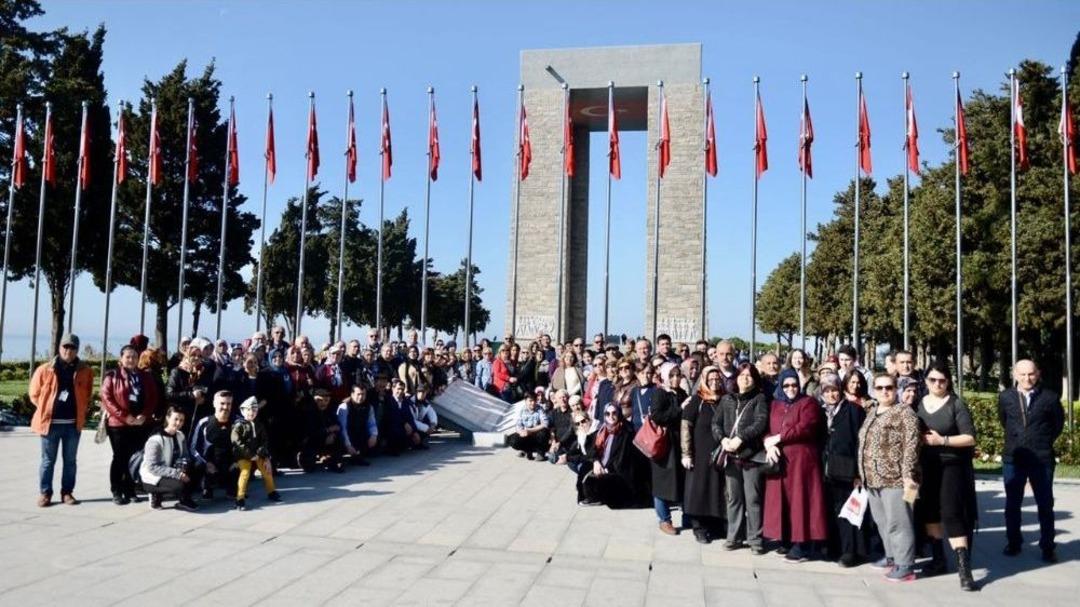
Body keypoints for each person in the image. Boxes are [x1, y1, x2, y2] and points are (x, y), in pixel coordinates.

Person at [915, 361, 978, 590]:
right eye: (933, 380)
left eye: (942, 380)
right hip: (926, 466)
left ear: (948, 381)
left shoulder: (956, 404)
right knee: (929, 512)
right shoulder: (919, 403)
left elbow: (970, 437)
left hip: (951, 465)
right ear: (926, 381)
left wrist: (943, 440)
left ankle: (964, 569)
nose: (937, 384)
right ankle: (938, 558)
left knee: (951, 513)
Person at [999, 359, 1064, 563]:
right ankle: (1014, 542)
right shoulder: (1005, 397)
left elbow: (1057, 425)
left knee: (1045, 504)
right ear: (1015, 374)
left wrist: (1041, 441)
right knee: (1012, 503)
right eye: (1022, 374)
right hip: (1014, 458)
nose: (1027, 378)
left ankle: (1047, 546)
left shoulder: (1050, 398)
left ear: (1038, 373)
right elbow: (1004, 421)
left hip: (1041, 459)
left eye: (1031, 374)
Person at [858, 374, 921, 582]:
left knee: (899, 522)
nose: (884, 391)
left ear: (896, 390)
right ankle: (892, 556)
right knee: (882, 521)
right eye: (879, 388)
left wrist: (908, 476)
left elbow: (911, 446)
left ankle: (906, 565)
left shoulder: (904, 413)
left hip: (897, 479)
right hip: (872, 477)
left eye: (889, 387)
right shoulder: (873, 412)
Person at [762, 368, 827, 562]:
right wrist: (768, 444)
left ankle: (802, 544)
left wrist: (778, 438)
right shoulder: (775, 404)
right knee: (783, 501)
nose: (791, 388)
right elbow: (767, 429)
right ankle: (787, 538)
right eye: (786, 385)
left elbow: (805, 427)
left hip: (802, 462)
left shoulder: (808, 403)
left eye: (794, 385)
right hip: (780, 461)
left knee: (801, 501)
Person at [29, 334, 94, 507]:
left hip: (72, 425)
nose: (68, 350)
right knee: (48, 461)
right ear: (59, 348)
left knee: (70, 461)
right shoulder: (44, 369)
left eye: (72, 347)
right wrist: (46, 408)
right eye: (65, 346)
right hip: (50, 425)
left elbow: (87, 394)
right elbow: (34, 394)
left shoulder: (85, 371)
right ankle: (45, 493)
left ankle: (67, 492)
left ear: (77, 350)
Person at [715, 363, 771, 553]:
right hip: (731, 456)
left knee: (753, 499)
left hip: (751, 456)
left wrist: (741, 438)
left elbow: (760, 422)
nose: (745, 379)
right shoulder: (727, 399)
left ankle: (755, 539)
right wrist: (722, 439)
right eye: (741, 375)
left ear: (754, 380)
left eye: (749, 376)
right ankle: (734, 537)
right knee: (734, 499)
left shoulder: (759, 398)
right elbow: (716, 423)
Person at [101, 345, 160, 504]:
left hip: (140, 423)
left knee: (134, 457)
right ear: (121, 358)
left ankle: (130, 489)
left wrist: (144, 415)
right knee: (119, 457)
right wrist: (125, 417)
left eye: (134, 356)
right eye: (127, 356)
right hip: (118, 424)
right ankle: (116, 490)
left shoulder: (145, 376)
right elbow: (107, 399)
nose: (131, 360)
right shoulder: (112, 376)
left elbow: (153, 397)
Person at [819, 374, 867, 567]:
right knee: (830, 508)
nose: (831, 395)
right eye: (827, 391)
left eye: (834, 390)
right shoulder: (820, 411)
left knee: (849, 511)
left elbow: (861, 442)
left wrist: (859, 473)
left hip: (847, 468)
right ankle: (833, 546)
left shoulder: (854, 410)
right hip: (825, 468)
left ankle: (850, 551)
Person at [681, 366, 726, 544]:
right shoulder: (697, 400)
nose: (714, 382)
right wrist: (686, 453)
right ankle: (699, 527)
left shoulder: (725, 399)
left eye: (717, 379)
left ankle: (715, 525)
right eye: (711, 379)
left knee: (716, 489)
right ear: (704, 381)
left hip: (718, 453)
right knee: (698, 490)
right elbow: (686, 426)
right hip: (699, 453)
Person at [578, 403, 644, 508]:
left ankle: (597, 498)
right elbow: (594, 448)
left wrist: (606, 469)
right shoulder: (603, 429)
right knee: (584, 467)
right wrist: (596, 462)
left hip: (619, 470)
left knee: (596, 480)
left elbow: (623, 458)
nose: (611, 416)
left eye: (614, 413)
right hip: (603, 463)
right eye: (607, 414)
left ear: (619, 414)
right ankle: (587, 497)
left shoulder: (626, 431)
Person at [650, 362, 687, 536]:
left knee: (681, 479)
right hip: (664, 443)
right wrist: (680, 409)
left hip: (679, 442)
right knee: (662, 481)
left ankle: (688, 515)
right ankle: (664, 519)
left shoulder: (681, 393)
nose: (675, 378)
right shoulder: (660, 393)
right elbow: (658, 416)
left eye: (678, 375)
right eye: (671, 375)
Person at [140, 406, 198, 511]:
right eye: (175, 419)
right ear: (167, 418)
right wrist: (178, 474)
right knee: (180, 485)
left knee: (197, 470)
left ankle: (184, 499)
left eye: (181, 420)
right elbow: (152, 467)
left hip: (173, 471)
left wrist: (184, 466)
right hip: (154, 476)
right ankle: (155, 494)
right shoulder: (155, 440)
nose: (178, 423)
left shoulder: (180, 435)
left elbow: (185, 456)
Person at [231, 397, 282, 510]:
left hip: (258, 454)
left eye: (254, 410)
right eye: (249, 410)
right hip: (243, 455)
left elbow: (264, 440)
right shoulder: (238, 425)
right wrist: (250, 455)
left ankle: (272, 491)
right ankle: (240, 498)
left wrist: (261, 453)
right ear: (243, 411)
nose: (251, 412)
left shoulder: (259, 424)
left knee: (267, 471)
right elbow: (237, 443)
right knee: (245, 473)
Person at [189, 391, 238, 499]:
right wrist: (206, 463)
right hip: (210, 463)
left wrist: (236, 461)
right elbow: (193, 448)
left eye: (229, 404)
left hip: (230, 463)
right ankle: (206, 486)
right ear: (214, 403)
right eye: (222, 403)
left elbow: (246, 445)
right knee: (198, 465)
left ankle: (232, 487)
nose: (225, 407)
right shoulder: (204, 423)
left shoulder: (238, 422)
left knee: (241, 464)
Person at [300, 389, 345, 472]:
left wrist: (332, 434)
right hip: (312, 441)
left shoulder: (330, 410)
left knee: (338, 438)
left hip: (327, 439)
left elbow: (337, 426)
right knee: (309, 467)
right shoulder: (309, 412)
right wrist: (327, 431)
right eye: (320, 400)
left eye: (326, 400)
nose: (323, 403)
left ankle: (334, 461)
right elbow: (310, 432)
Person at [338, 383, 378, 465]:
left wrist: (374, 435)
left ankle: (358, 454)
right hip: (346, 436)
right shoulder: (344, 407)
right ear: (352, 394)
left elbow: (372, 424)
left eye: (363, 394)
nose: (361, 397)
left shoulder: (369, 407)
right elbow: (343, 429)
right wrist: (348, 445)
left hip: (360, 433)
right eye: (358, 394)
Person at [508, 391, 550, 460]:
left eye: (534, 400)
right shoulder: (522, 410)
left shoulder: (540, 409)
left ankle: (540, 453)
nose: (533, 403)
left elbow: (545, 423)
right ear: (525, 401)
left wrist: (530, 430)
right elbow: (518, 425)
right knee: (513, 440)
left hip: (536, 434)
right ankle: (527, 450)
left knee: (543, 432)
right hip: (526, 434)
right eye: (530, 401)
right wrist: (521, 432)